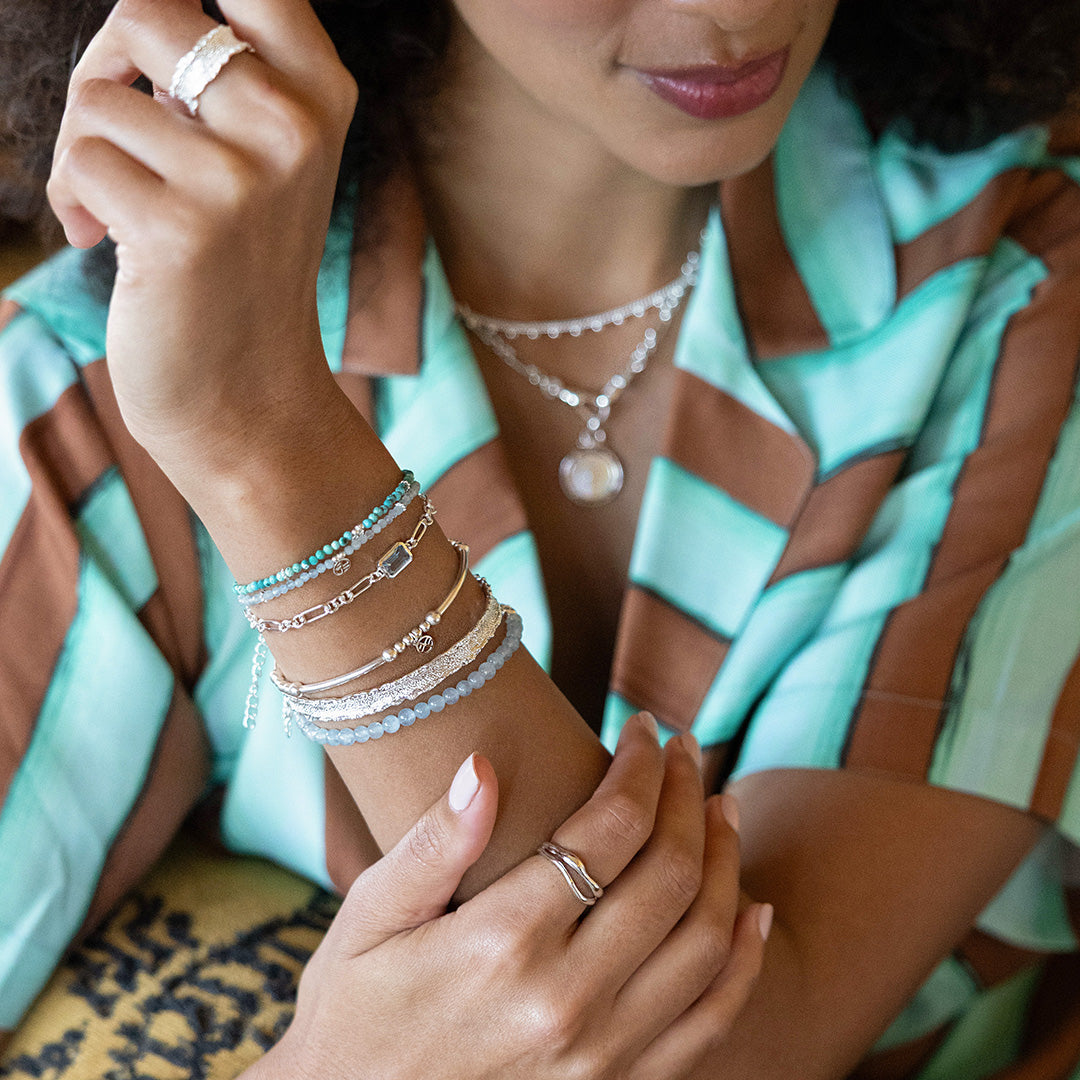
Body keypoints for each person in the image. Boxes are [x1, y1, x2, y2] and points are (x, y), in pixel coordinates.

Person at [1, 0, 1079, 1076]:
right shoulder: (79, 392)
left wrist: (262, 440)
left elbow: (719, 1053)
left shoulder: (1021, 274)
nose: (740, 7)